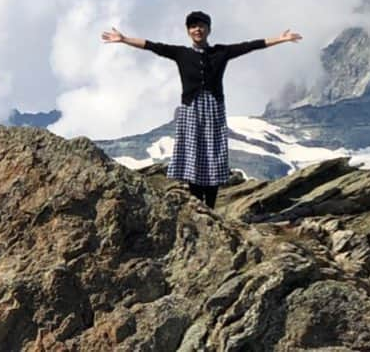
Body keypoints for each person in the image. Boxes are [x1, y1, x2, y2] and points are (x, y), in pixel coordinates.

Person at [101, 11, 301, 208]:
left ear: (208, 29)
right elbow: (152, 46)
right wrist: (124, 39)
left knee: (213, 154)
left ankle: (210, 207)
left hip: (214, 108)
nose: (198, 29)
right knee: (193, 153)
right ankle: (197, 203)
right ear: (189, 31)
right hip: (191, 109)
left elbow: (250, 46)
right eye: (193, 26)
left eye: (201, 26)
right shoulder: (181, 53)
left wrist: (280, 39)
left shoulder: (221, 52)